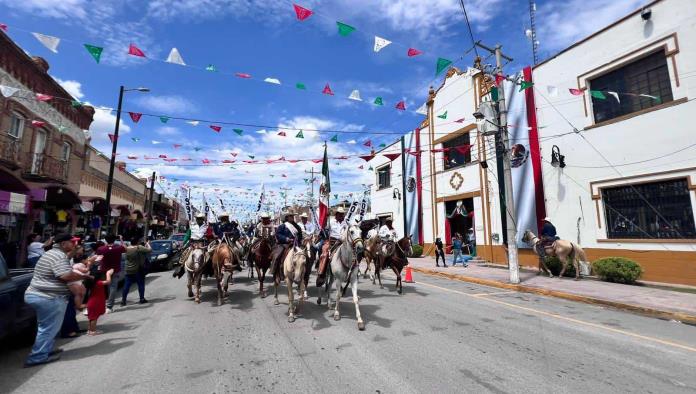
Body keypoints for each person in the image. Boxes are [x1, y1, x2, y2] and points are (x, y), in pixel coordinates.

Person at [23, 233, 99, 367]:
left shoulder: (54, 253)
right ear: (63, 244)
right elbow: (65, 275)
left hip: (40, 295)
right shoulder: (58, 256)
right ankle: (37, 357)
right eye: (72, 242)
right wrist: (86, 277)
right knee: (48, 328)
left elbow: (63, 262)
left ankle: (45, 350)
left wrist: (73, 252)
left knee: (47, 327)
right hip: (48, 297)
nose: (75, 244)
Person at [317, 207, 347, 287]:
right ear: (336, 215)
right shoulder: (330, 222)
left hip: (343, 242)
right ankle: (321, 274)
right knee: (325, 253)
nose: (341, 215)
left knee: (353, 252)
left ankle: (353, 272)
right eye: (339, 214)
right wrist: (326, 217)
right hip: (332, 242)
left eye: (342, 214)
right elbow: (323, 227)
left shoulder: (346, 223)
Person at [96, 234, 126, 313]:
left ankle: (101, 304)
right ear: (114, 240)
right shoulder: (118, 248)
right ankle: (109, 306)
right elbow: (125, 248)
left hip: (103, 270)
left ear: (105, 240)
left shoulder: (101, 249)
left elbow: (97, 257)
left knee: (102, 287)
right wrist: (121, 240)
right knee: (113, 288)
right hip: (115, 270)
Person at [121, 238, 151, 306]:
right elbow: (149, 250)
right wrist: (148, 244)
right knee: (141, 284)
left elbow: (123, 245)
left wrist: (121, 239)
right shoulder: (138, 247)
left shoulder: (127, 248)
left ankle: (123, 301)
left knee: (126, 286)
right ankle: (142, 299)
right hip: (138, 269)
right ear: (137, 242)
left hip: (128, 269)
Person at [84, 268, 114, 336]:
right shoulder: (98, 283)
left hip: (92, 302)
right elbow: (108, 281)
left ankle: (90, 330)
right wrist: (108, 274)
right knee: (94, 318)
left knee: (92, 317)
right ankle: (93, 331)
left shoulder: (92, 283)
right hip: (95, 303)